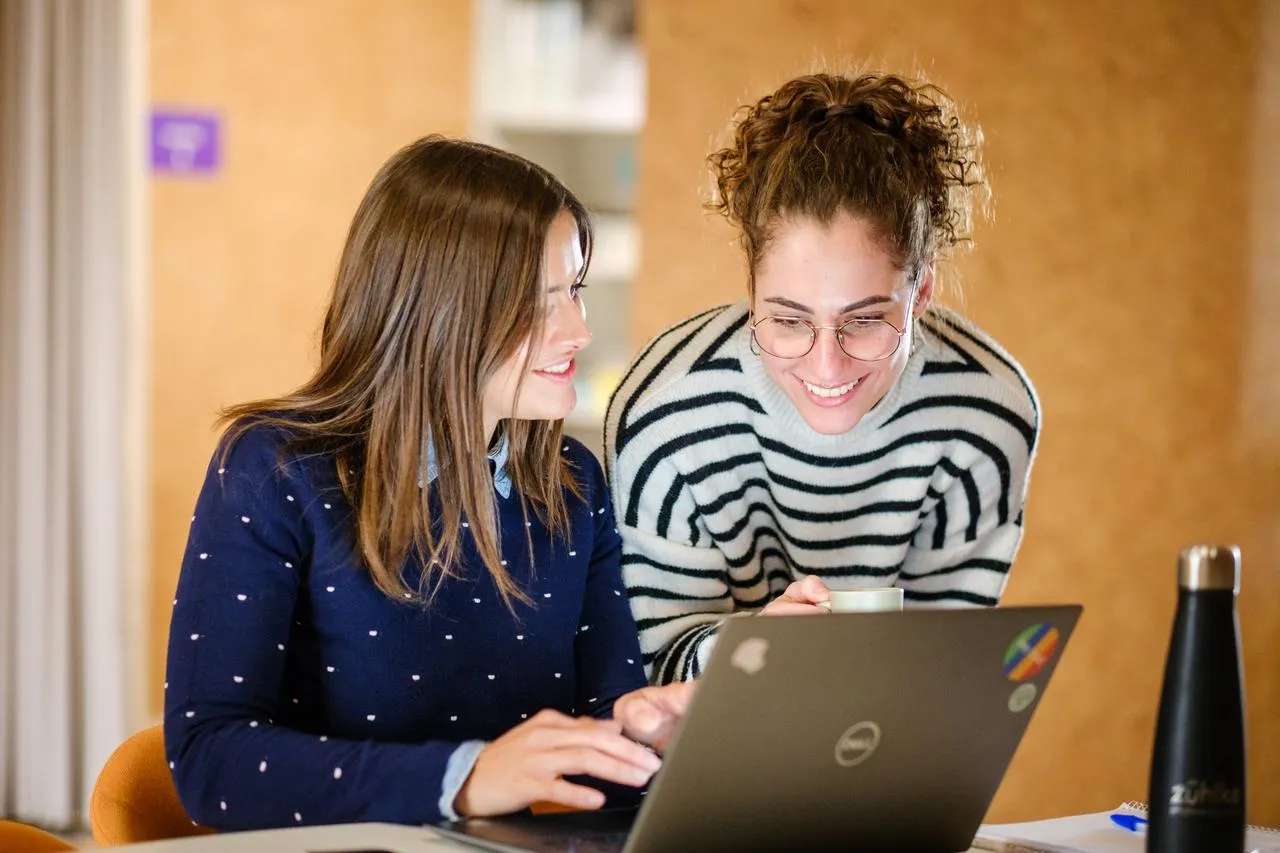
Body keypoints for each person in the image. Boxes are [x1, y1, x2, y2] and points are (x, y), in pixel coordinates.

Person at [164, 137, 693, 831]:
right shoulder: (273, 469)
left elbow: (604, 749)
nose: (579, 330)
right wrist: (465, 776)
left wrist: (647, 740)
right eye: (539, 304)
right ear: (439, 313)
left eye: (575, 292)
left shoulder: (573, 485)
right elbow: (211, 760)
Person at [606, 72, 1041, 685]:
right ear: (750, 289)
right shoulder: (666, 415)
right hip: (702, 761)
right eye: (787, 319)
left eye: (864, 321)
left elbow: (946, 674)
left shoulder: (984, 414)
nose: (826, 366)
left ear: (922, 290)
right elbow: (650, 675)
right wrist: (751, 648)